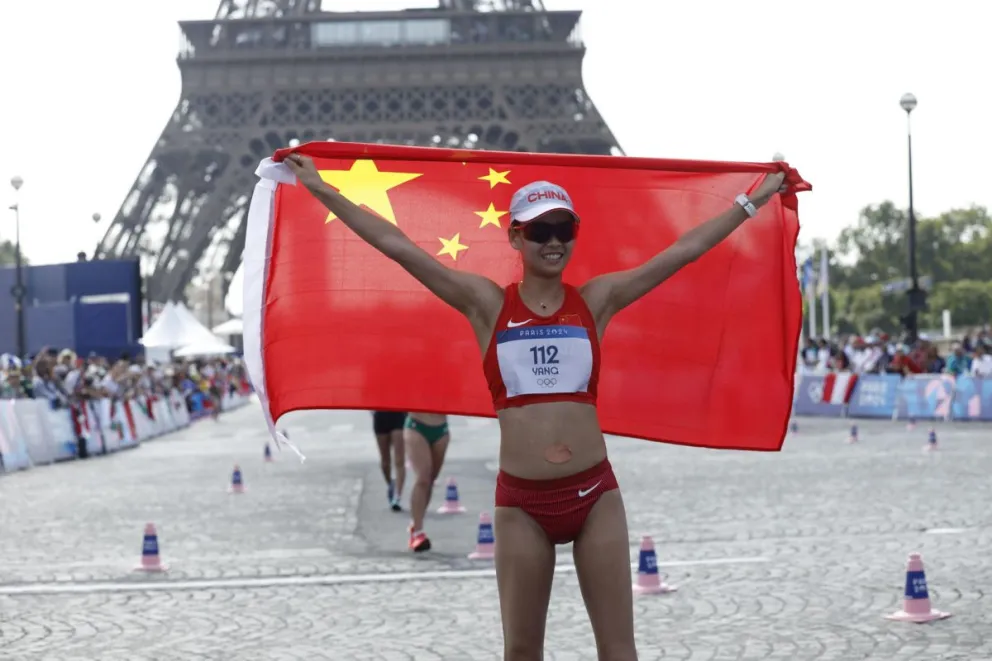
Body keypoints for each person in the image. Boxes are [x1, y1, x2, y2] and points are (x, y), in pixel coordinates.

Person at [284, 152, 786, 660]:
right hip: (522, 505)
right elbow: (398, 247)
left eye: (563, 229)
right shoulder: (486, 304)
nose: (552, 241)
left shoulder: (596, 300)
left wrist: (751, 200)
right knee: (522, 652)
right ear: (515, 237)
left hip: (595, 495)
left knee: (619, 652)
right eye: (539, 230)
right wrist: (323, 190)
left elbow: (682, 251)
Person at [404, 412, 451, 552]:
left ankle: (416, 522)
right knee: (422, 479)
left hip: (441, 428)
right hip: (416, 425)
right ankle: (417, 532)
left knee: (430, 480)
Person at [372, 410, 408, 511]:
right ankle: (391, 484)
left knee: (399, 460)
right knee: (385, 461)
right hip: (380, 416)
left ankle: (397, 496)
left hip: (399, 415)